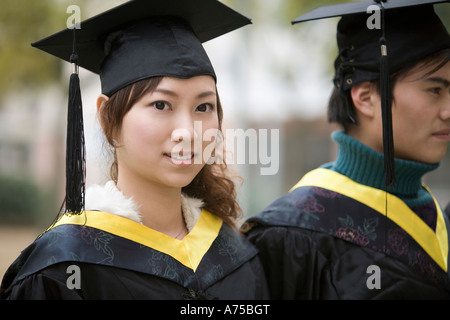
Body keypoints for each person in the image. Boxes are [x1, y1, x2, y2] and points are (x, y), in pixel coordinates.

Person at [1, 0, 269, 300]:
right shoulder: (64, 267)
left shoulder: (235, 253)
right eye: (161, 105)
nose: (187, 130)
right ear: (108, 119)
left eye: (203, 106)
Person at [245, 0, 450, 299]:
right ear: (366, 98)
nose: (448, 110)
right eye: (435, 90)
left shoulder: (439, 218)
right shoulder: (293, 236)